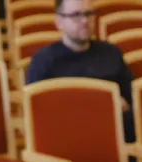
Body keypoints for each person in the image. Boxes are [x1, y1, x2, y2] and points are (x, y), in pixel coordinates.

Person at [25, 0, 135, 141]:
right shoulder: (44, 61)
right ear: (59, 22)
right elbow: (39, 116)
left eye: (88, 14)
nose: (84, 21)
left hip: (117, 137)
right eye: (76, 15)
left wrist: (124, 106)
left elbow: (132, 98)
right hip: (68, 140)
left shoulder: (111, 53)